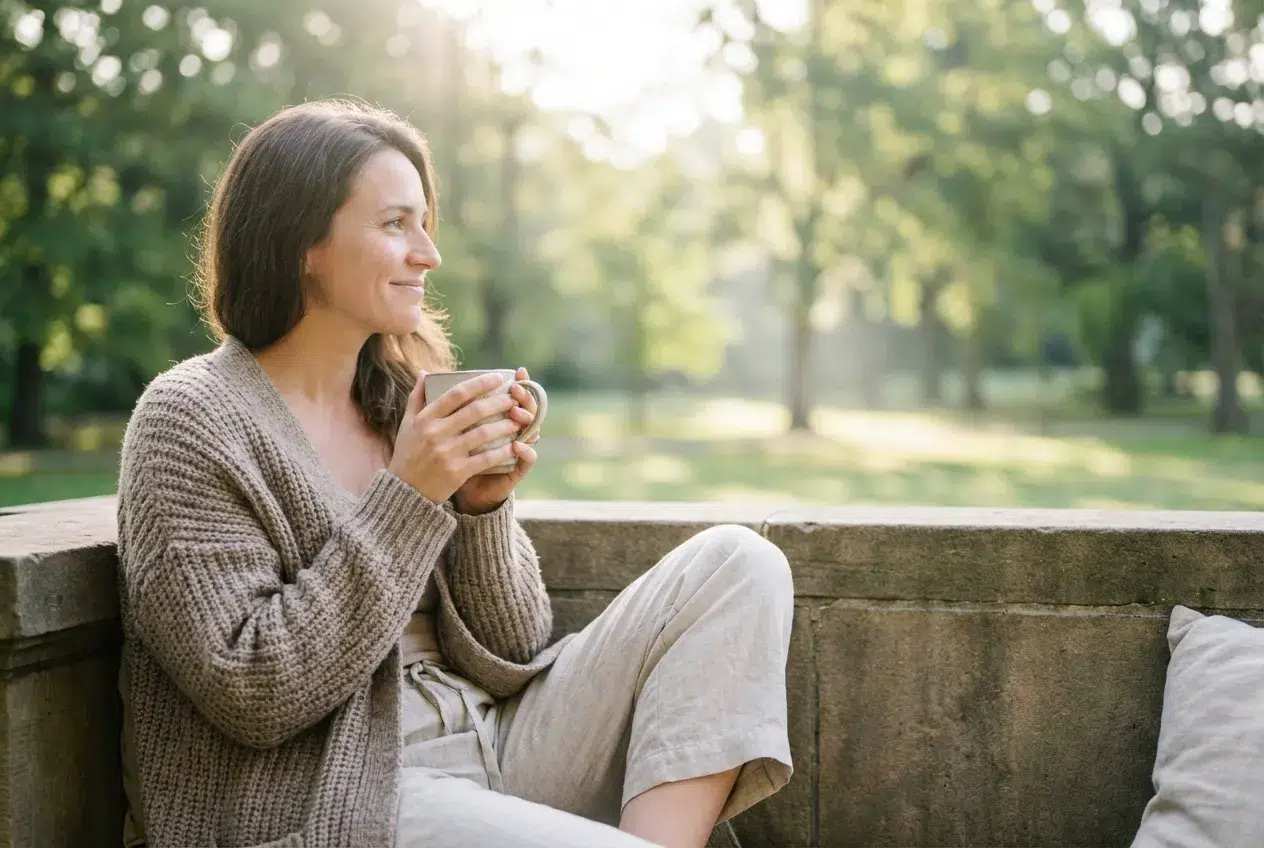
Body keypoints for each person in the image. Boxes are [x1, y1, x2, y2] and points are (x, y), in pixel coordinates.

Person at [115, 98, 794, 848]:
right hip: (347, 794)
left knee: (740, 563)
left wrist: (478, 510)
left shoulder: (398, 398)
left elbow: (516, 649)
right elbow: (251, 691)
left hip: (493, 734)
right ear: (300, 244)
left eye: (424, 223)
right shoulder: (189, 420)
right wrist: (408, 496)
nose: (428, 254)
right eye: (394, 224)